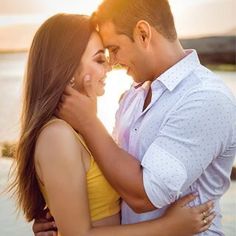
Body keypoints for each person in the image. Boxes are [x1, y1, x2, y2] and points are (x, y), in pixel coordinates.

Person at [34, 0, 236, 235]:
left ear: (142, 33)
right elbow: (113, 176)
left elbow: (142, 196)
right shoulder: (132, 97)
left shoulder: (205, 98)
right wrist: (62, 218)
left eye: (114, 49)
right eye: (103, 56)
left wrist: (88, 123)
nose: (113, 63)